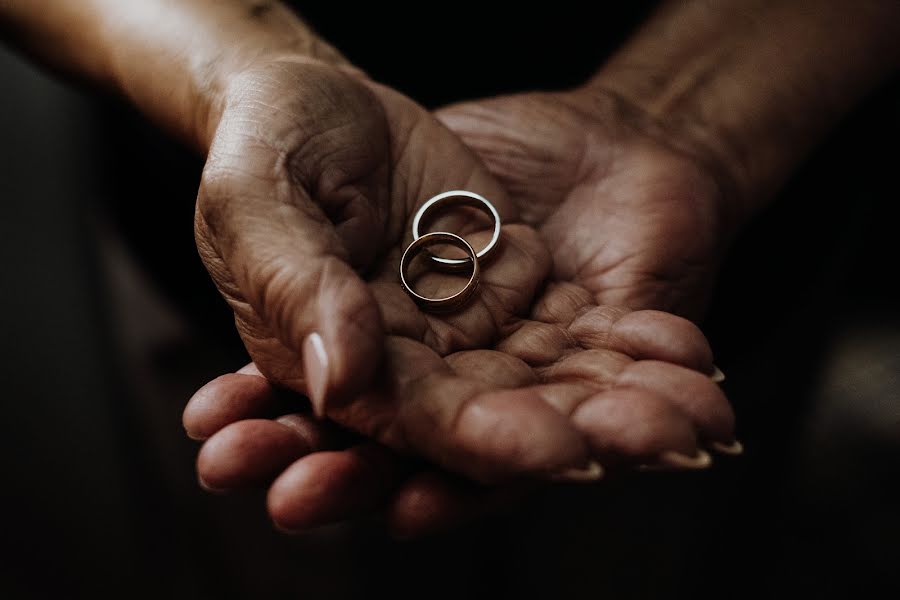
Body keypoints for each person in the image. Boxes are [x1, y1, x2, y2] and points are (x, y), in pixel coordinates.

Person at [2, 0, 897, 539]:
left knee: (659, 537)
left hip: (723, 239)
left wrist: (692, 124)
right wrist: (248, 73)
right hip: (208, 242)